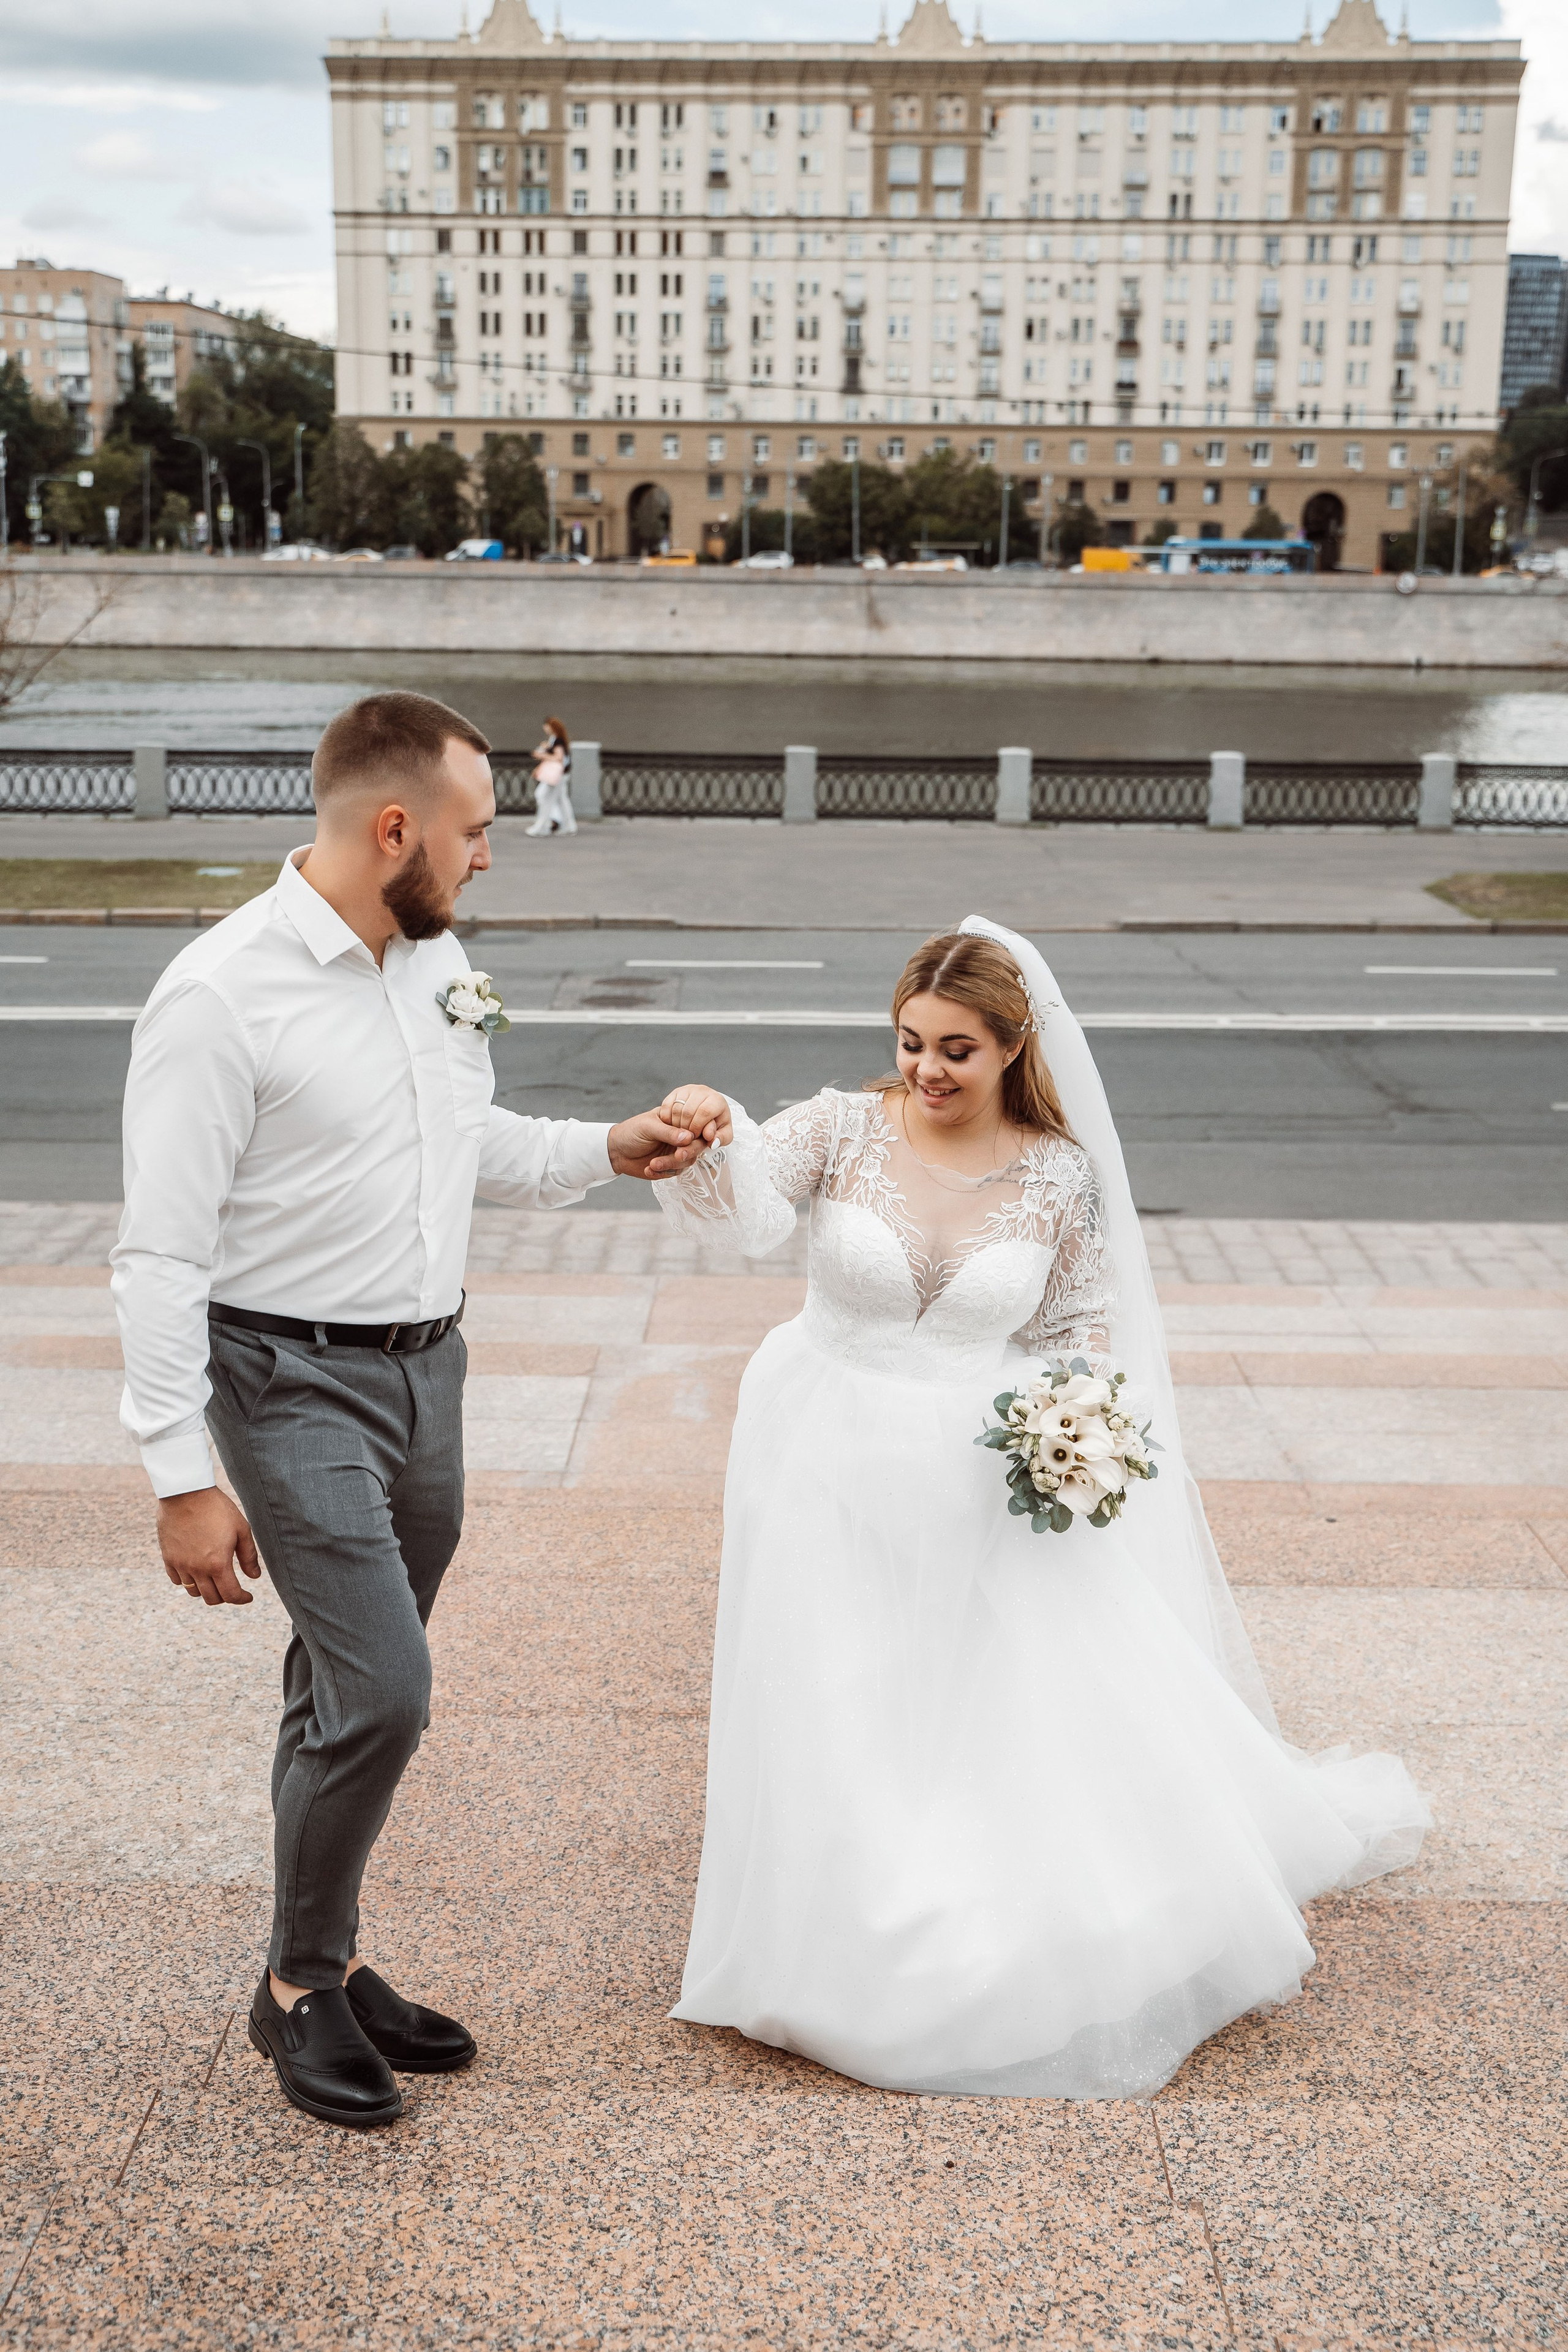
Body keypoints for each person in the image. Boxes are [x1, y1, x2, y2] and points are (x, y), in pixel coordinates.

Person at [648, 921, 1429, 2100]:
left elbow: (1073, 1332)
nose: (927, 1069)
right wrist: (709, 1123)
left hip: (972, 1464)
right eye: (911, 1042)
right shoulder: (842, 1127)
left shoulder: (1060, 1175)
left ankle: (960, 1899)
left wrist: (1076, 1433)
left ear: (1014, 1047)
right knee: (830, 1679)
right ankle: (826, 1936)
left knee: (969, 1689)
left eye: (957, 1049)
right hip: (819, 1444)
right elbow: (746, 1210)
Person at [111, 691, 723, 2132]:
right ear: (395, 828)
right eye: (473, 830)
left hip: (426, 1369)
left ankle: (318, 1959)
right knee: (385, 1690)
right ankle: (298, 1987)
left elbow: (463, 1138)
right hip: (286, 1378)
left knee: (338, 1689)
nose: (488, 855)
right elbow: (160, 1254)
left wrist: (604, 1147)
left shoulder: (431, 963)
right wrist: (179, 1473)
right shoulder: (220, 995)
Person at [526, 714, 575, 837]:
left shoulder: (557, 740)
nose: (545, 728)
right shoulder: (556, 740)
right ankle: (569, 826)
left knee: (546, 799)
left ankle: (542, 827)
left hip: (557, 776)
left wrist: (542, 755)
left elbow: (559, 758)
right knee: (562, 800)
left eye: (547, 726)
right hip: (562, 775)